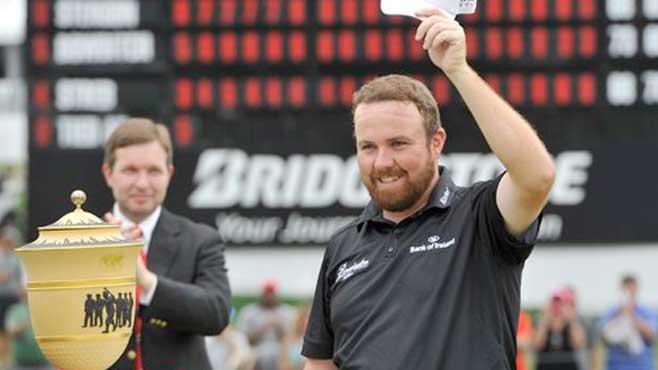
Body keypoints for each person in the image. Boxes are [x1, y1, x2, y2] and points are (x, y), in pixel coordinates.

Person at [302, 7, 556, 370]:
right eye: (368, 147)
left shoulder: (479, 218)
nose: (383, 162)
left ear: (436, 142)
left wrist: (458, 70)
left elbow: (537, 176)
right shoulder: (343, 246)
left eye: (399, 144)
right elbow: (320, 364)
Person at [101, 118, 231, 370]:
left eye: (153, 171)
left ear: (169, 174)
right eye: (130, 170)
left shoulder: (200, 240)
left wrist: (147, 282)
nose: (142, 183)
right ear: (108, 173)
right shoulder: (81, 242)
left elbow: (216, 313)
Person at [596, 274, 657, 370]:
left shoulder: (648, 312)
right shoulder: (611, 312)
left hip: (642, 367)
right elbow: (602, 336)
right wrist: (620, 314)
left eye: (631, 288)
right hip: (616, 366)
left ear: (637, 289)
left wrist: (632, 315)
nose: (629, 292)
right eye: (626, 288)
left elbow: (652, 335)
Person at [238, 280, 296, 370]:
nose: (269, 297)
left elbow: (294, 338)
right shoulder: (249, 312)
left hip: (282, 349)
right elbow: (243, 339)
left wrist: (278, 326)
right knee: (250, 358)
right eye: (267, 293)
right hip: (256, 349)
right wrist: (262, 328)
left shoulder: (287, 312)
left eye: (271, 293)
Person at [533, 288, 587, 370]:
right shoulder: (543, 323)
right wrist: (545, 321)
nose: (557, 308)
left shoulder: (572, 324)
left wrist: (571, 320)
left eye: (560, 304)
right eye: (554, 304)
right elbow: (537, 345)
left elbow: (579, 344)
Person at [4, 284, 53, 370]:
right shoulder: (16, 310)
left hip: (44, 364)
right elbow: (12, 332)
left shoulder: (45, 310)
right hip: (21, 364)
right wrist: (27, 323)